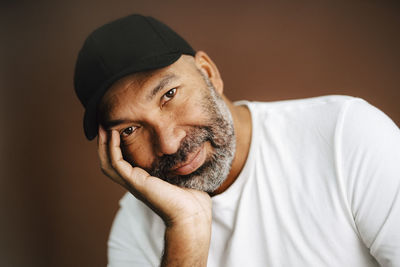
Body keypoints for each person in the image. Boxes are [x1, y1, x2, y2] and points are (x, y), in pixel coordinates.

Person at [74, 14, 400, 267]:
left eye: (169, 95)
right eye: (130, 129)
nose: (169, 144)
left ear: (208, 72)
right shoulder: (134, 227)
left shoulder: (344, 135)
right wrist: (187, 229)